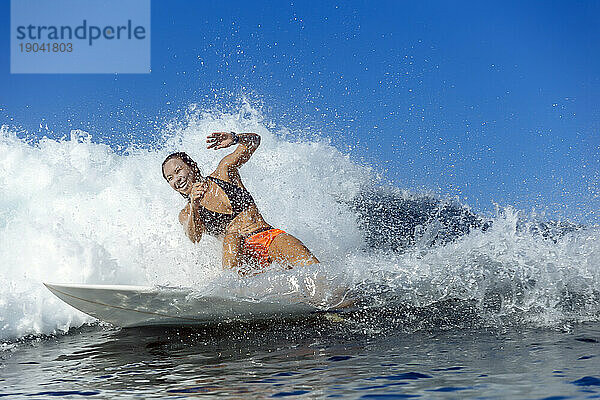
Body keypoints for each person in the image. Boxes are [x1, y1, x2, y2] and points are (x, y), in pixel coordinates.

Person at [162, 131, 319, 276]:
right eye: (170, 178)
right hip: (243, 260)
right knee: (232, 238)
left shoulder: (224, 173)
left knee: (311, 267)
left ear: (193, 167)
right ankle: (230, 287)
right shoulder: (186, 213)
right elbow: (194, 237)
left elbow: (254, 141)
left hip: (268, 239)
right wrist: (194, 206)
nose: (176, 179)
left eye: (178, 171)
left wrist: (236, 138)